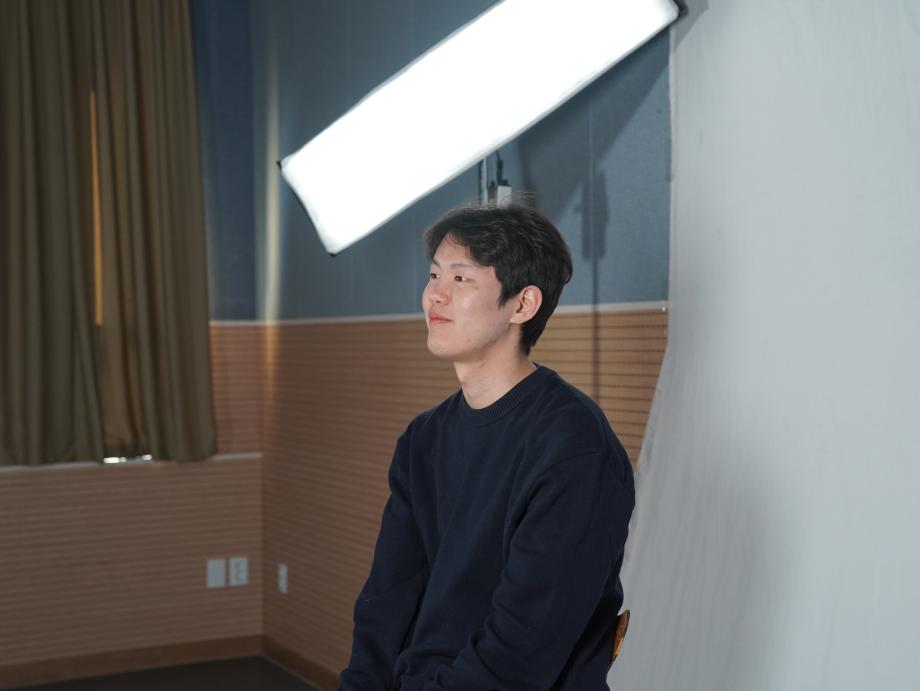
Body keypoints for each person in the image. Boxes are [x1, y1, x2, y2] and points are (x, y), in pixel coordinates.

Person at [337, 202, 635, 691]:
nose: (435, 294)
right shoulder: (423, 439)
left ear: (523, 305)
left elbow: (522, 651)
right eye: (434, 274)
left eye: (461, 278)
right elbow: (386, 602)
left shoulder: (575, 448)